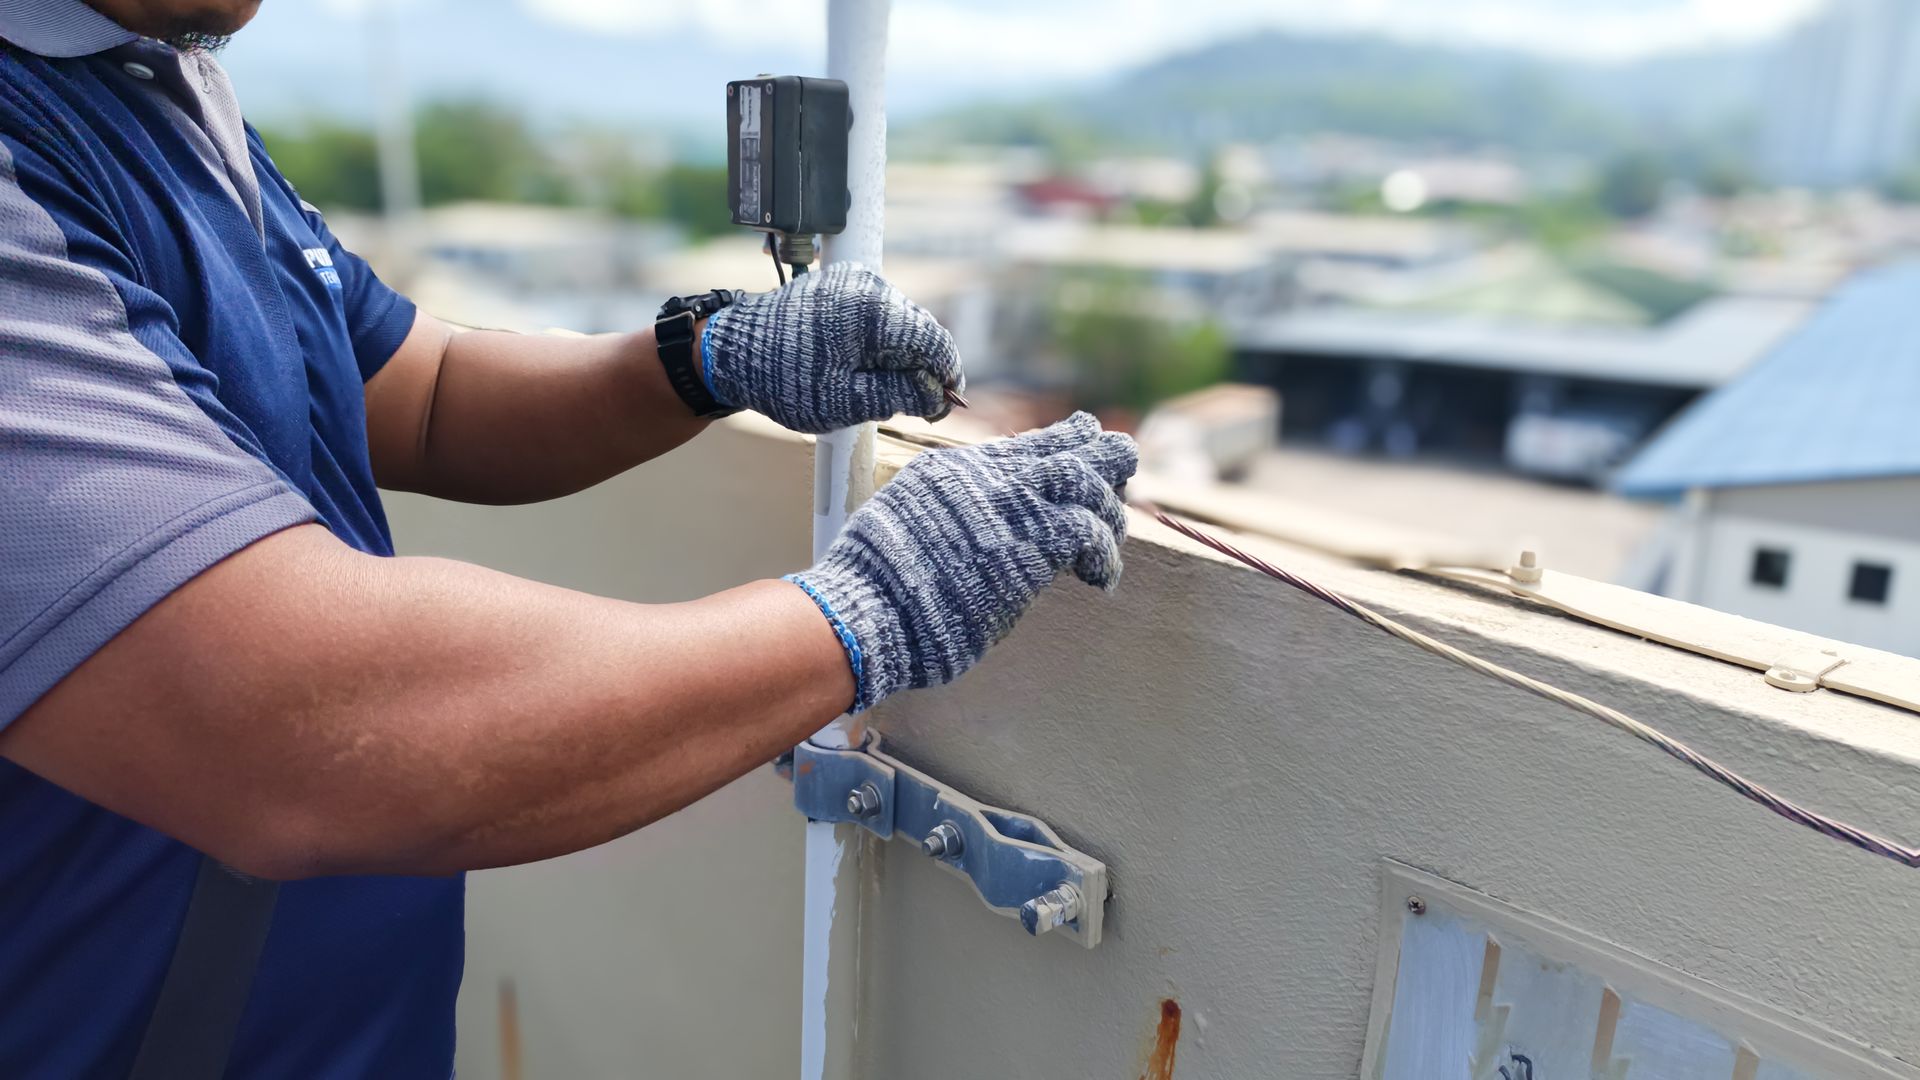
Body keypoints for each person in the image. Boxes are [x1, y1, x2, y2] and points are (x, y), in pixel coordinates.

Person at [0, 0, 1136, 1074]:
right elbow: (294, 722)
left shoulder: (157, 84)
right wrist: (875, 607)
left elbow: (416, 384)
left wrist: (701, 358)